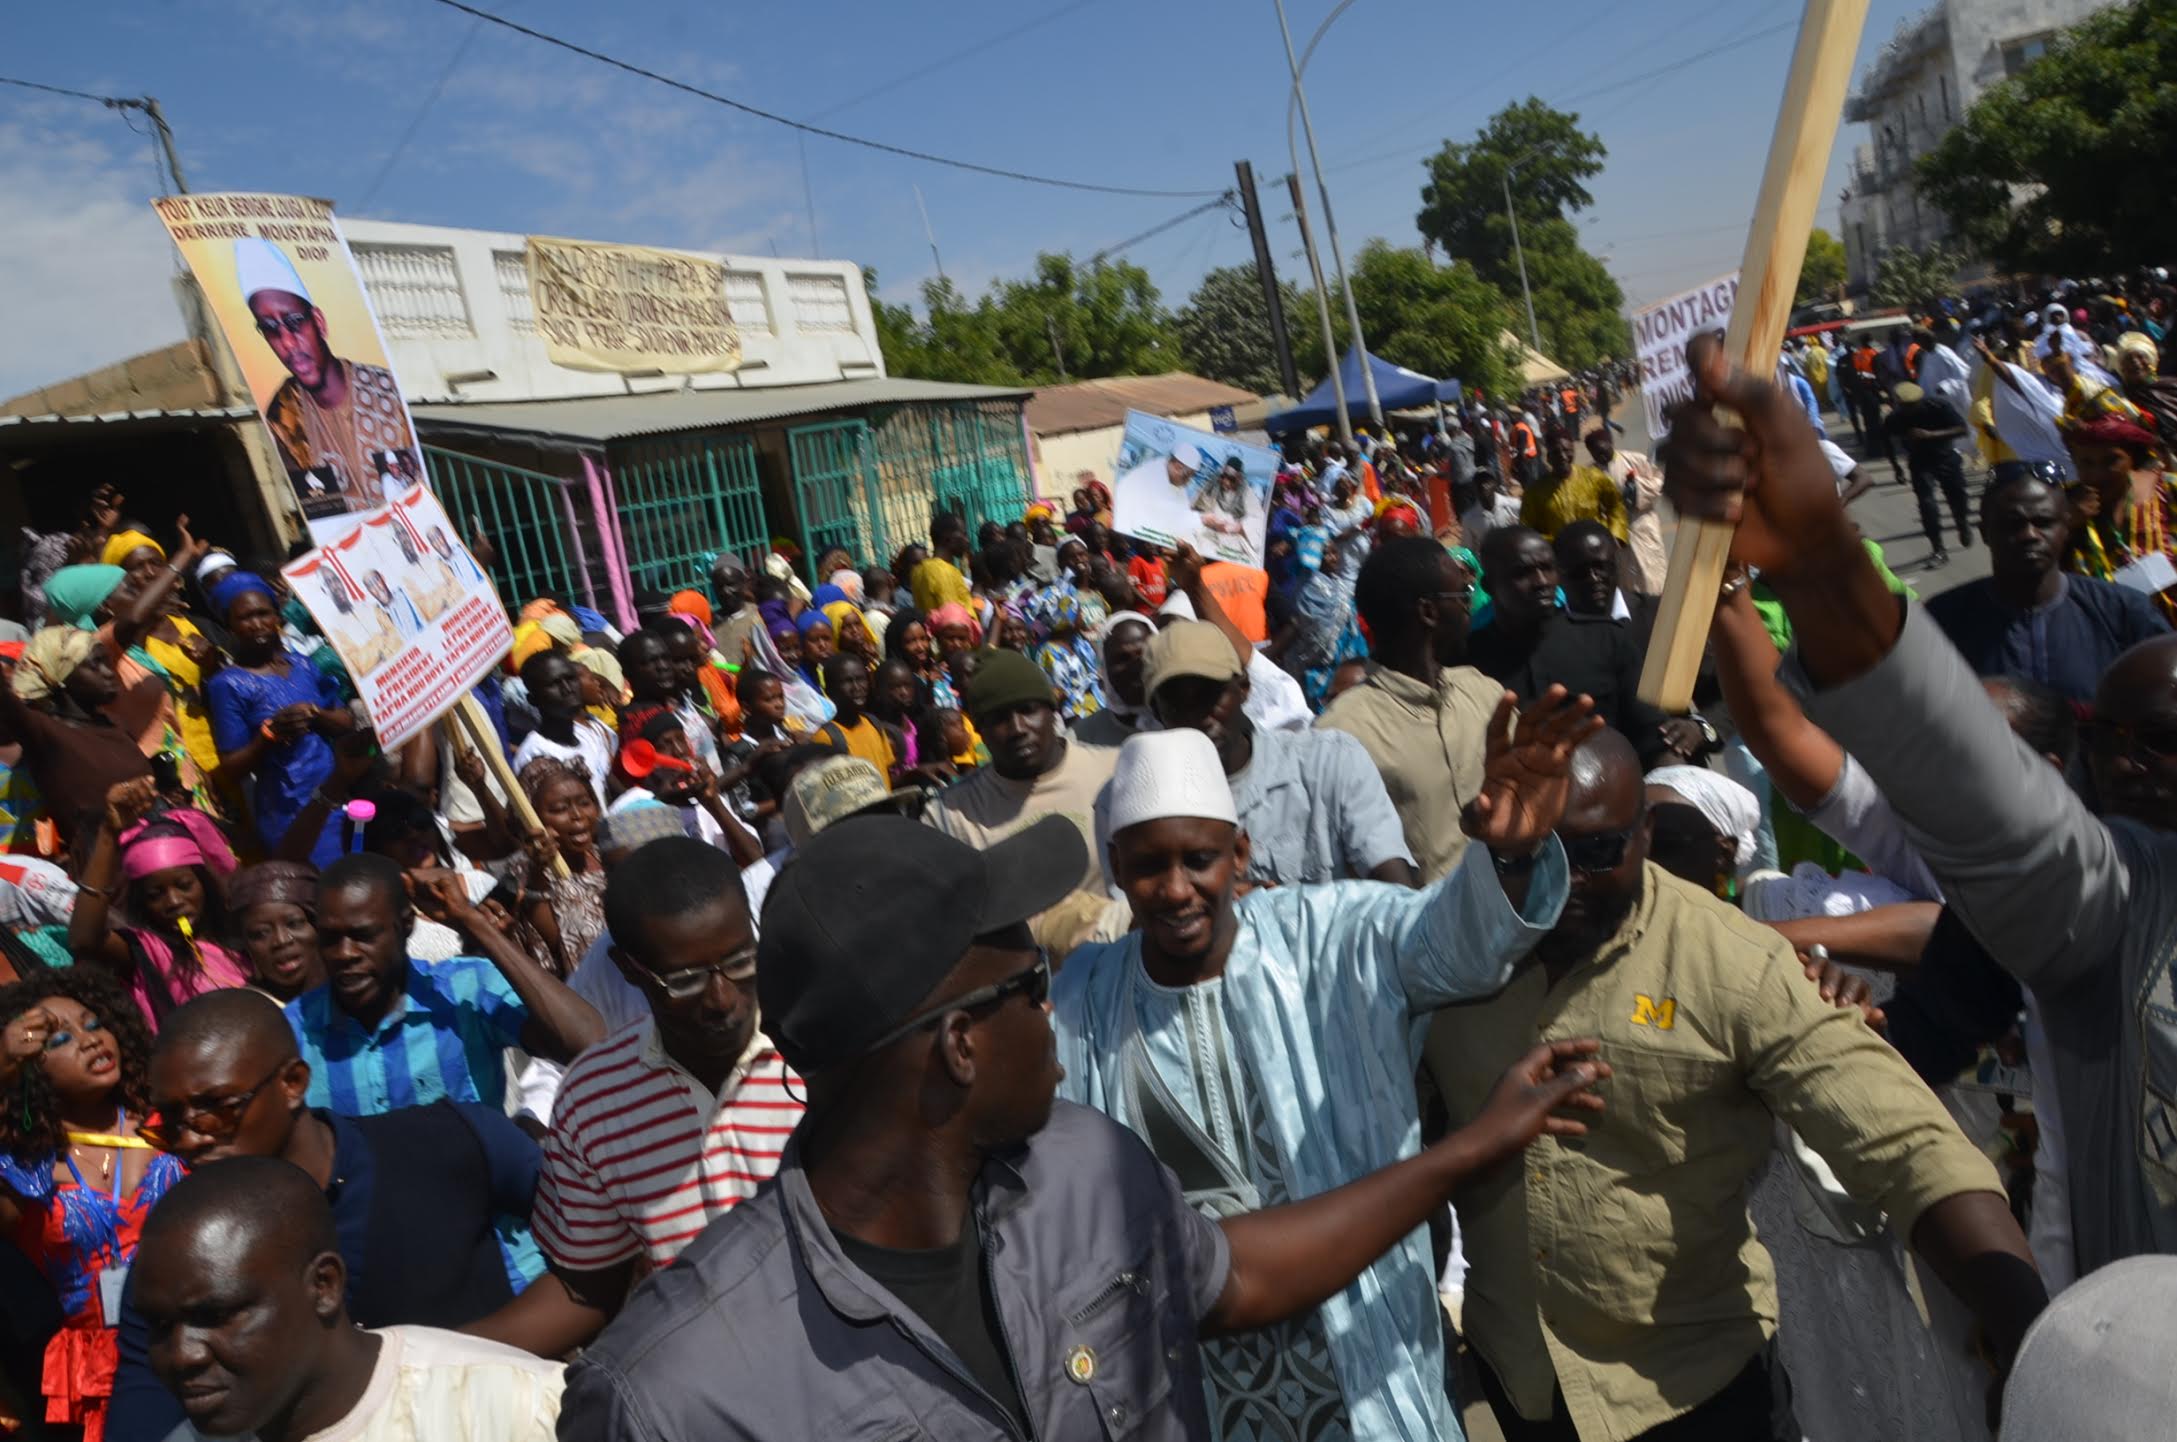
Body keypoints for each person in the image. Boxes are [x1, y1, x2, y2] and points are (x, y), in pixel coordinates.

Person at [558, 812, 1608, 1440]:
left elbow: (1235, 1275)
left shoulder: (1079, 1170)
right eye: (1029, 984)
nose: (1054, 1007)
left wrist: (1473, 1144)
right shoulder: (677, 1395)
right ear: (958, 1046)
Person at [1659, 326, 2177, 1280]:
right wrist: (1798, 569)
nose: (2138, 765)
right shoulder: (2108, 902)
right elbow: (1822, 747)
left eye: (2164, 743)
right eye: (2118, 741)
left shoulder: (2117, 617)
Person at [1424, 727, 2045, 1442]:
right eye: (1538, 853)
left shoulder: (1732, 962)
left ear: (1644, 834)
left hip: (1695, 1394)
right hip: (1522, 1387)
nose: (1567, 883)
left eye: (1597, 852)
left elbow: (1907, 1147)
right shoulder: (1441, 951)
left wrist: (2028, 1340)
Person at [1056, 702, 1596, 1441]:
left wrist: (1508, 857)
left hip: (1368, 1377)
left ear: (1239, 853)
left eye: (1198, 860)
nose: (1176, 889)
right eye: (1148, 866)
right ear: (1116, 868)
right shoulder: (1081, 999)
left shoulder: (1335, 938)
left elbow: (1458, 946)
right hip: (1194, 1401)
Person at [106, 988, 548, 1441]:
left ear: (293, 1082)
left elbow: (599, 1249)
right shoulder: (176, 1262)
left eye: (215, 1110)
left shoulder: (448, 1142)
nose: (190, 1139)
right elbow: (142, 1420)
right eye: (170, 1122)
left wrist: (445, 1365)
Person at [498, 840, 804, 1359]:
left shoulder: (819, 1051)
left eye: (739, 961)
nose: (722, 998)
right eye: (684, 980)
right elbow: (587, 1285)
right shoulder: (593, 1097)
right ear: (629, 970)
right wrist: (432, 1361)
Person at [134, 1159, 564, 1442]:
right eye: (159, 1326)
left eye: (213, 1315)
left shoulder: (518, 1410)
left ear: (323, 1286)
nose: (182, 1355)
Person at [0, 969, 182, 1442]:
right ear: (29, 1068)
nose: (89, 1040)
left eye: (94, 1023)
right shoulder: (23, 1176)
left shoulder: (172, 1125)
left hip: (196, 1331)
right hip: (103, 1369)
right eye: (59, 1038)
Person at [284, 853, 603, 1121]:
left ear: (406, 925)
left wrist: (472, 922)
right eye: (330, 939)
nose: (345, 954)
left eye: (364, 936)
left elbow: (586, 1043)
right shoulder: (294, 1030)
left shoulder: (466, 990)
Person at [1144, 620, 1415, 885]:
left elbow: (1394, 888)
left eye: (1210, 697)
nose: (1199, 717)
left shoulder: (1329, 760)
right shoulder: (1146, 804)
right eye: (1177, 704)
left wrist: (1274, 908)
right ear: (1157, 712)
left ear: (1243, 688)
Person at [1319, 536, 1504, 881]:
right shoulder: (1341, 735)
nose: (1472, 605)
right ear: (1429, 612)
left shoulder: (1483, 691)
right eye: (1463, 596)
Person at [1924, 469, 2168, 700]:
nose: (2029, 534)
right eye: (2012, 524)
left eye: (2043, 522)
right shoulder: (1943, 618)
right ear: (1985, 532)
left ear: (2066, 528)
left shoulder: (2124, 611)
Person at [1467, 527, 1693, 770]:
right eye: (1523, 573)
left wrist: (1664, 797)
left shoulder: (1608, 640)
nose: (1541, 582)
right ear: (1490, 585)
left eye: (1547, 568)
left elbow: (1655, 741)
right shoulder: (1466, 662)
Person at [926, 650, 1118, 931]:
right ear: (980, 730)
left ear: (1052, 711)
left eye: (1028, 710)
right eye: (999, 718)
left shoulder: (1114, 770)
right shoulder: (950, 815)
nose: (1017, 728)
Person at [66, 781, 251, 1027]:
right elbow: (84, 939)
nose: (174, 902)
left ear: (203, 884)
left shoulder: (240, 934)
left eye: (184, 886)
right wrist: (109, 835)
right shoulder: (150, 951)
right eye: (156, 895)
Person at [205, 572, 356, 867]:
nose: (257, 624)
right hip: (288, 810)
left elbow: (345, 722)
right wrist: (269, 735)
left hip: (337, 796)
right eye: (245, 618)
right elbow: (232, 768)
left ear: (277, 615)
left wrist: (316, 713)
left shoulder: (302, 664)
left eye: (264, 613)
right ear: (230, 626)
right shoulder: (228, 684)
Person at [0, 625, 156, 848]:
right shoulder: (46, 733)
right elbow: (6, 703)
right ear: (61, 676)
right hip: (108, 867)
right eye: (95, 664)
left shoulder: (108, 723)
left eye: (107, 661)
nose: (109, 672)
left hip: (156, 847)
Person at [1882, 381, 1974, 565]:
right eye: (1904, 406)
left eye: (1912, 405)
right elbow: (1887, 441)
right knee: (1927, 504)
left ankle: (1962, 523)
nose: (1908, 410)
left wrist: (1930, 435)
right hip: (1920, 462)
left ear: (1920, 401)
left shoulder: (1939, 406)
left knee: (1957, 497)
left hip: (1946, 456)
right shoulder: (1895, 418)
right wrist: (1896, 468)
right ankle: (1938, 549)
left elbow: (1962, 429)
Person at [510, 651, 615, 806]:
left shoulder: (589, 735)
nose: (567, 689)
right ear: (533, 700)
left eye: (571, 679)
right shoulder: (535, 755)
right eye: (554, 684)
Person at [225, 861, 325, 1003]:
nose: (281, 940)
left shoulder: (351, 986)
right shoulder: (247, 1009)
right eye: (261, 933)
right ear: (246, 946)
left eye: (294, 924)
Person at [1582, 428, 1665, 597]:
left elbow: (1659, 481)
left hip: (1641, 526)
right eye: (1596, 453)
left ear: (1611, 443)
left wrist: (1637, 489)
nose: (1601, 456)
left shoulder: (1635, 460)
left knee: (1651, 574)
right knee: (1625, 578)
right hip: (1614, 535)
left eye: (1603, 450)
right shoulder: (1589, 475)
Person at [1519, 431, 1626, 543]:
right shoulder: (1535, 492)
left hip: (1598, 549)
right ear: (1548, 457)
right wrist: (1553, 542)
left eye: (1566, 450)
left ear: (1573, 451)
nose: (1562, 456)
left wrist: (1616, 534)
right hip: (1561, 555)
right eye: (1556, 452)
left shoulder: (1594, 477)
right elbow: (1527, 529)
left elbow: (1616, 505)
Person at [808, 653, 903, 776]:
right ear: (830, 691)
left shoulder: (874, 724)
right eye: (847, 681)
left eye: (861, 679)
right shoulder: (825, 738)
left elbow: (885, 776)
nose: (857, 687)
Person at [1073, 611, 1154, 747]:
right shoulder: (1081, 739)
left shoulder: (1185, 722)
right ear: (1104, 668)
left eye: (1144, 655)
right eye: (1122, 659)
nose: (1135, 668)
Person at [910, 514, 976, 616]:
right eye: (964, 534)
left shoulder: (918, 571)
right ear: (948, 538)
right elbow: (953, 620)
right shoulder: (943, 571)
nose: (967, 540)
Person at [1457, 462, 1523, 551]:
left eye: (1487, 481)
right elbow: (1468, 550)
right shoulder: (1469, 518)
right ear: (1474, 487)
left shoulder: (1514, 505)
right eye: (1479, 482)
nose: (1483, 486)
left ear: (1495, 484)